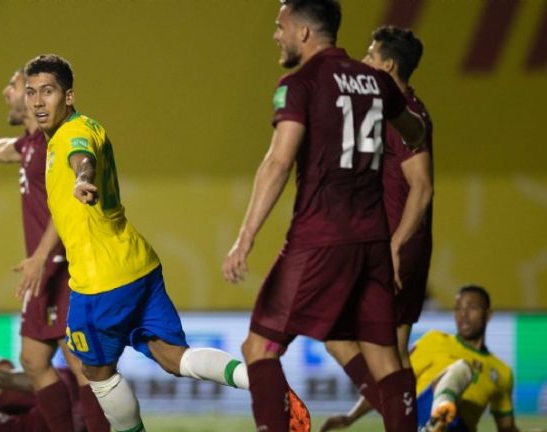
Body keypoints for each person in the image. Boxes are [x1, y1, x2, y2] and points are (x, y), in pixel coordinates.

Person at [221, 1, 426, 431]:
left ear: (303, 32)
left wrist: (245, 238)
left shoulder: (299, 84)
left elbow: (279, 161)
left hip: (319, 239)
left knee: (259, 348)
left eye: (281, 27)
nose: (276, 35)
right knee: (386, 359)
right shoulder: (376, 81)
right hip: (372, 241)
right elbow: (413, 130)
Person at [23, 53, 250, 432]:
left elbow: (83, 158)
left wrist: (83, 177)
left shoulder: (71, 135)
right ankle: (256, 381)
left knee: (94, 370)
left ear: (68, 96)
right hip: (139, 265)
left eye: (47, 91)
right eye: (32, 92)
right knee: (174, 358)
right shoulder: (79, 129)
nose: (37, 101)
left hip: (101, 280)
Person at [0, 68, 109, 431]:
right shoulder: (28, 145)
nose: (5, 91)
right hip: (44, 267)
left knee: (80, 362)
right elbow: (8, 152)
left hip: (63, 264)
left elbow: (66, 205)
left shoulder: (52, 144)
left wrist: (41, 256)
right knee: (33, 357)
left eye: (13, 87)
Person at [323, 24, 434, 423]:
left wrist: (395, 245)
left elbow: (422, 188)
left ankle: (396, 417)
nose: (364, 61)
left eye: (370, 55)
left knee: (334, 330)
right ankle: (403, 421)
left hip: (396, 246)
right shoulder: (391, 109)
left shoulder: (407, 115)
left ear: (387, 64)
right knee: (395, 352)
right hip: (393, 244)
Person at [321, 285, 520, 432]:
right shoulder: (435, 340)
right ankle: (436, 420)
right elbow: (390, 382)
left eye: (472, 307)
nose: (463, 315)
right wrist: (350, 417)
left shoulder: (502, 372)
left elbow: (506, 428)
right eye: (458, 308)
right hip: (416, 416)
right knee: (462, 369)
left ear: (489, 314)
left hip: (461, 429)